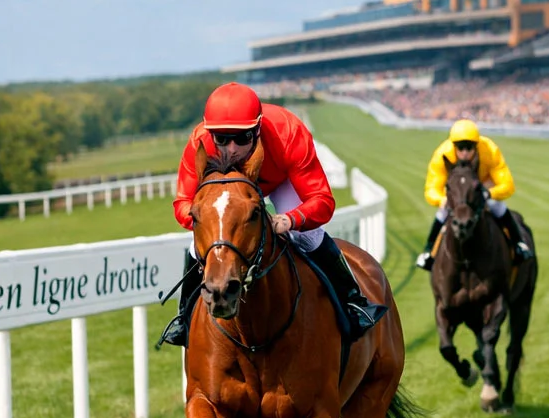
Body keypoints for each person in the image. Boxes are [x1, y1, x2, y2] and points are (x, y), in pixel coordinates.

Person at [160, 82, 385, 347]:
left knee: (309, 236)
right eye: (221, 138)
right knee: (196, 246)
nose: (231, 149)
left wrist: (291, 219)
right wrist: (206, 217)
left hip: (280, 182)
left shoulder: (288, 132)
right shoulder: (199, 142)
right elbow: (182, 205)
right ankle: (184, 321)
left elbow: (322, 201)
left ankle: (353, 304)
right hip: (226, 195)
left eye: (242, 138)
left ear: (258, 129)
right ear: (210, 134)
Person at [416, 119, 533, 270]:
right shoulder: (442, 155)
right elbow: (431, 188)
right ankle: (428, 251)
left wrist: (490, 193)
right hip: (457, 193)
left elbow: (508, 185)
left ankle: (518, 244)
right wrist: (441, 199)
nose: (465, 152)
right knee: (443, 211)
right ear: (453, 146)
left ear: (476, 145)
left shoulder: (490, 150)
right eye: (460, 147)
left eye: (470, 147)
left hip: (483, 188)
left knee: (496, 206)